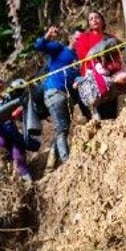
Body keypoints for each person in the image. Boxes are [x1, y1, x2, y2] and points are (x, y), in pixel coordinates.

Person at [34, 26, 80, 170]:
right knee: (62, 128)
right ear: (71, 38)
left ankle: (51, 163)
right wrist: (48, 35)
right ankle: (67, 162)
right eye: (78, 38)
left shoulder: (78, 57)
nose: (80, 41)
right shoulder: (60, 49)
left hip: (67, 96)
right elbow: (39, 46)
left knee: (63, 128)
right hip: (54, 92)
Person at [74, 11, 126, 120]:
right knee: (100, 110)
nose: (94, 20)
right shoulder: (85, 38)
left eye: (97, 17)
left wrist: (108, 69)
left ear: (102, 21)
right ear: (89, 24)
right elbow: (84, 57)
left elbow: (117, 59)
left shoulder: (110, 38)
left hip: (111, 77)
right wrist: (98, 66)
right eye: (91, 19)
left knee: (111, 111)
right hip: (94, 79)